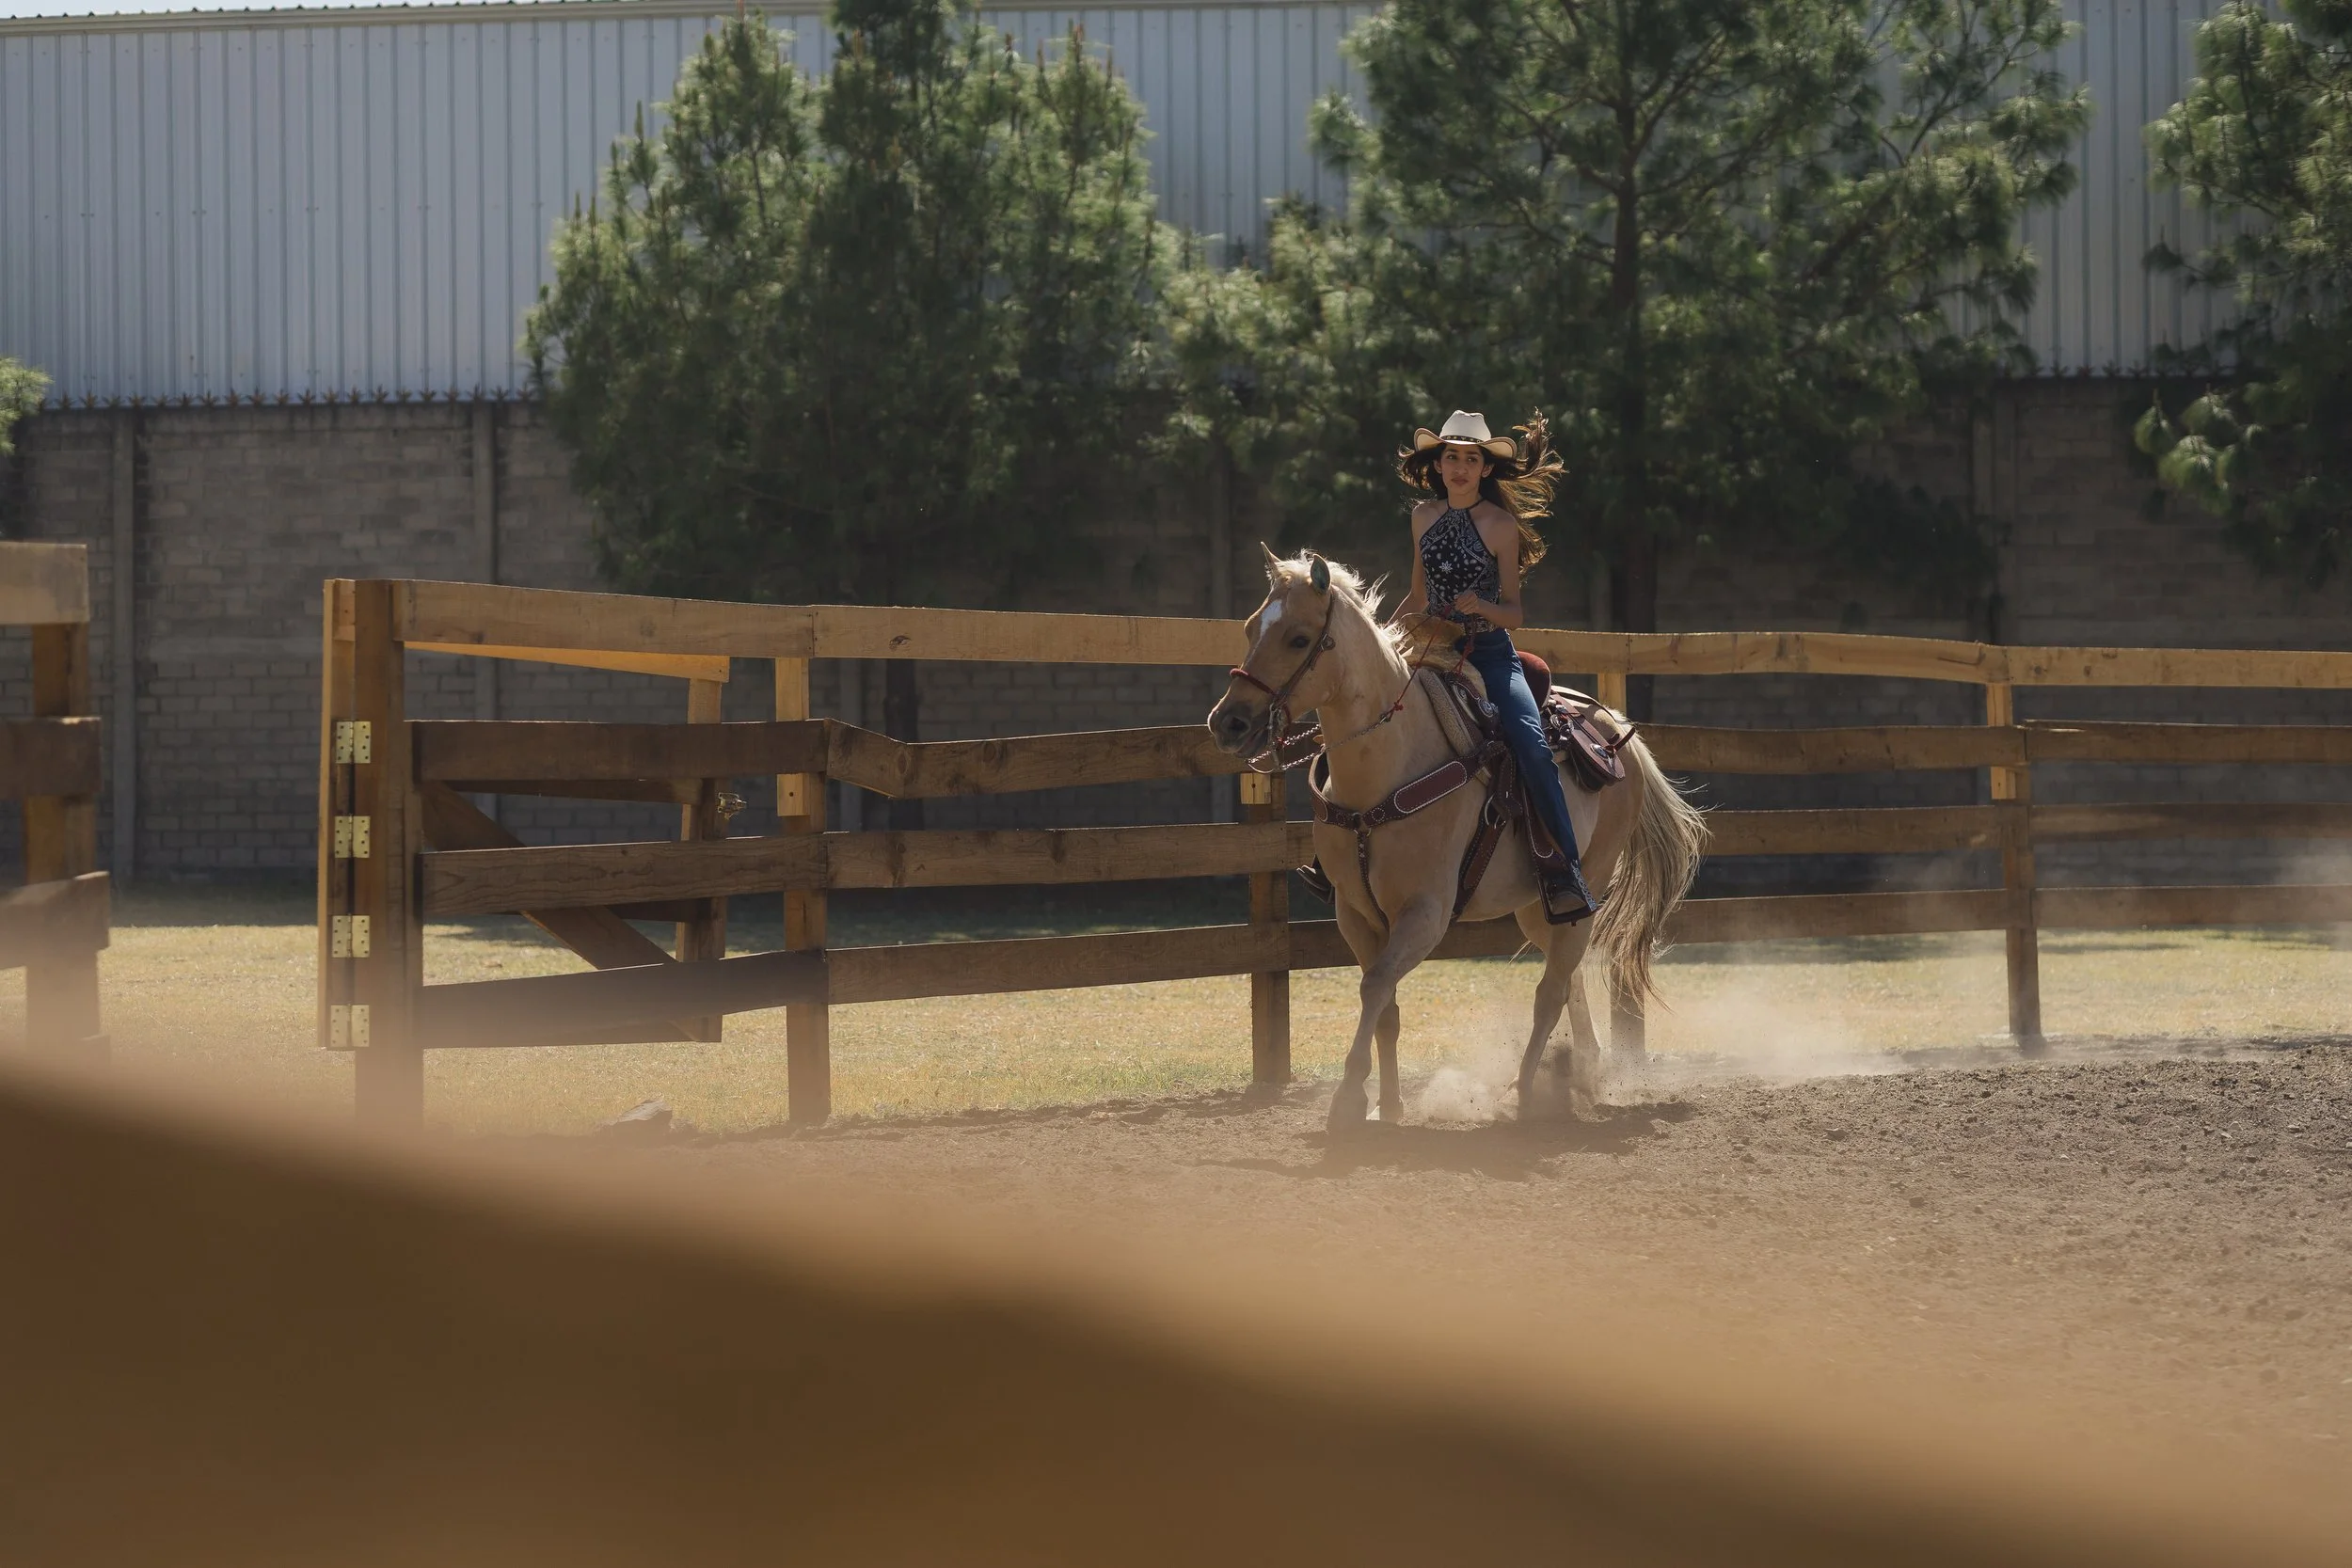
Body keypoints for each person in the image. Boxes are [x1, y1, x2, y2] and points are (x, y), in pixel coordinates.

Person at [1395, 409, 1596, 923]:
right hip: (1431, 649)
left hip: (1490, 655)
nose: (1459, 467)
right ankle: (1335, 862)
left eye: (1470, 458)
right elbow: (1417, 595)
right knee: (1368, 712)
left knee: (1532, 746)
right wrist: (1386, 638)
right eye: (1451, 457)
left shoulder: (1501, 526)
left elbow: (1514, 610)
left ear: (1485, 468)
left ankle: (1563, 873)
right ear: (1437, 464)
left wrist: (1481, 607)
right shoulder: (1421, 518)